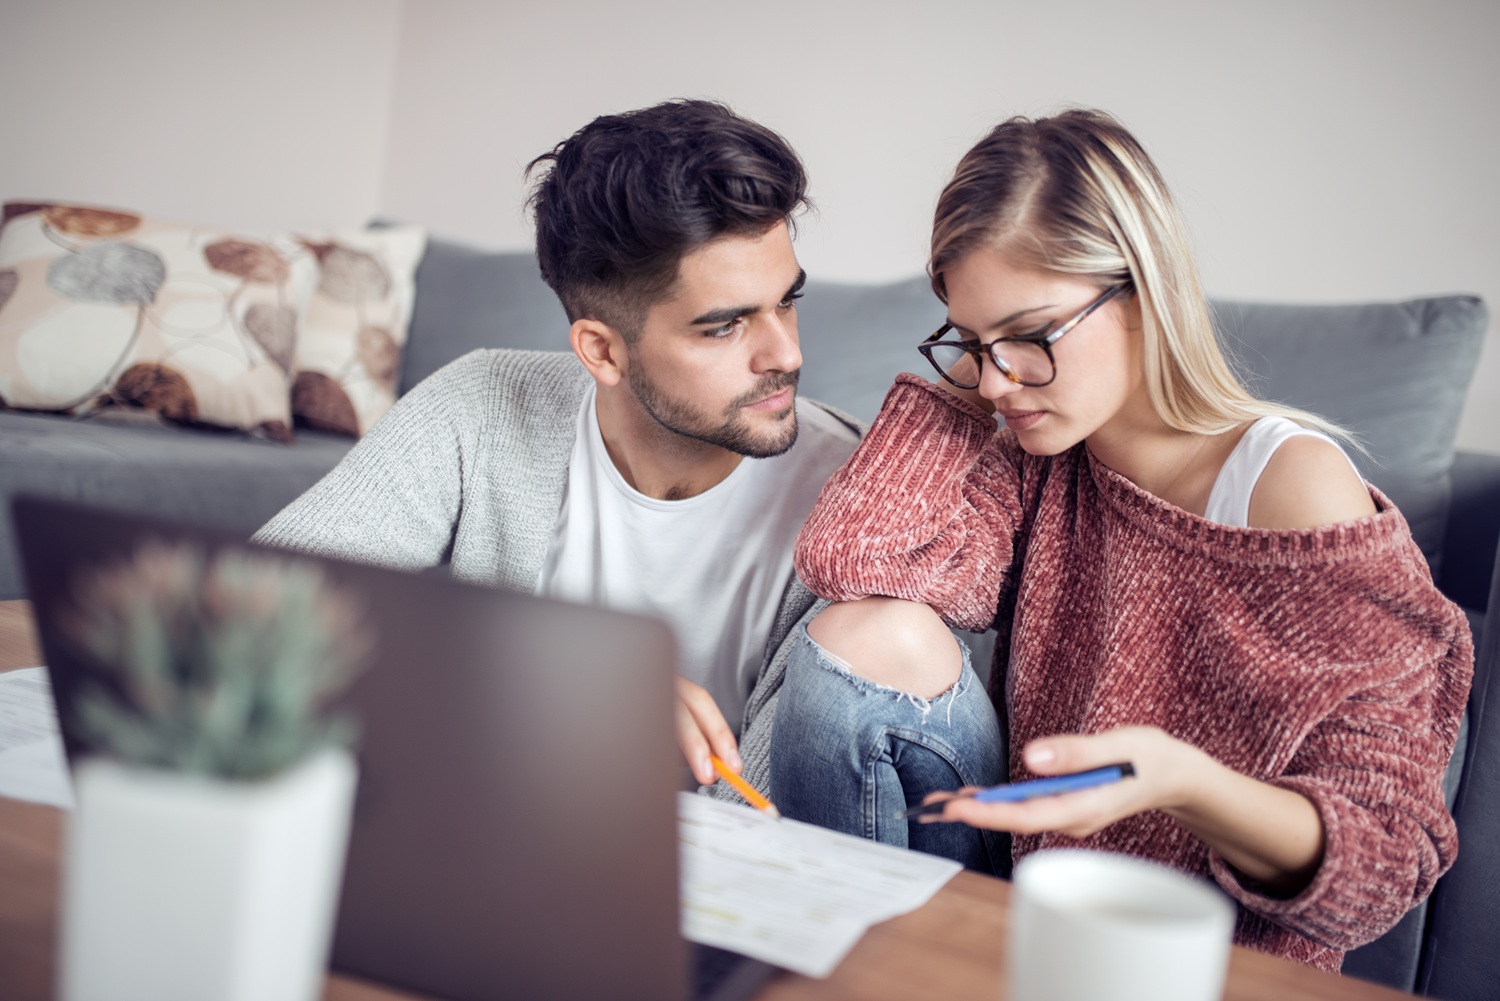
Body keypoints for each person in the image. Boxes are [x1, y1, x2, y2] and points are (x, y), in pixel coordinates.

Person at [783, 109, 1472, 970]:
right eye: (970, 341)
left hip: (1192, 957)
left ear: (1144, 294)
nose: (999, 380)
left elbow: (1386, 857)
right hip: (1027, 899)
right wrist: (971, 376)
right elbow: (855, 562)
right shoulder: (1042, 446)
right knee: (860, 635)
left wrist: (1182, 784)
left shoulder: (1290, 490)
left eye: (1032, 337)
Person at [253, 99, 860, 796]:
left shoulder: (853, 501)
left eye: (787, 300)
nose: (784, 351)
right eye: (725, 327)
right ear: (601, 350)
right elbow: (248, 613)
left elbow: (781, 833)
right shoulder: (481, 404)